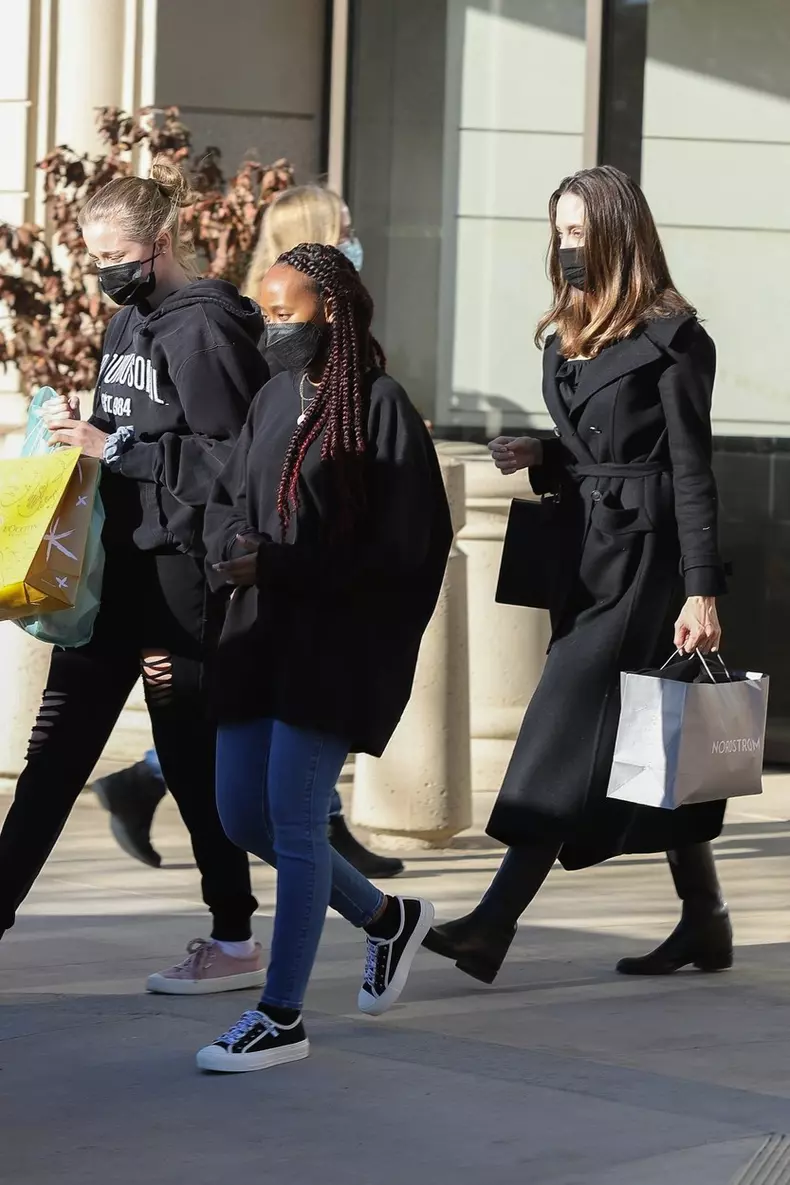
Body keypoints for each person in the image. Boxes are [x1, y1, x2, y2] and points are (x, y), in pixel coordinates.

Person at [424, 165, 731, 984]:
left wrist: (702, 589)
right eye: (559, 231)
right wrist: (544, 452)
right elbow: (599, 443)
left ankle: (493, 923)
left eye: (580, 231)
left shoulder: (675, 338)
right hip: (583, 550)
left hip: (646, 561)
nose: (567, 246)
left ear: (619, 233)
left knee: (563, 726)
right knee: (651, 738)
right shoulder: (572, 327)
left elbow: (692, 469)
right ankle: (706, 920)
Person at [0, 157, 270, 995]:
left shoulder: (206, 329)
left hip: (184, 581)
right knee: (55, 746)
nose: (102, 270)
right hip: (123, 570)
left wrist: (118, 447)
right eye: (91, 255)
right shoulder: (131, 324)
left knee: (191, 762)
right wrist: (79, 428)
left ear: (158, 244)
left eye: (112, 253)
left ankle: (239, 934)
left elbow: (237, 461)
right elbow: (122, 427)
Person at [195, 242, 453, 1072]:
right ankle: (384, 918)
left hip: (333, 649)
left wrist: (278, 563)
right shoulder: (273, 397)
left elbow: (404, 548)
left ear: (331, 308)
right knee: (243, 817)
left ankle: (281, 1016)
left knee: (298, 822)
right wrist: (234, 543)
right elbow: (231, 500)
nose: (272, 324)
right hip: (257, 639)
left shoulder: (380, 408)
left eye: (286, 309)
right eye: (265, 308)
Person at [96, 183, 403, 879]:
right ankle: (282, 895)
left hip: (280, 575)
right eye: (343, 227)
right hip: (237, 568)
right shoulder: (242, 338)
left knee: (266, 755)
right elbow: (236, 460)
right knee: (231, 757)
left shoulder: (366, 393)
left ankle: (284, 893)